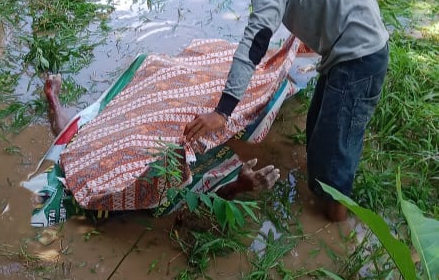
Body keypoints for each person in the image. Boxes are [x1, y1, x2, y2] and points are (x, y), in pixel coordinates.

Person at [184, 0, 389, 222]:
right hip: (353, 49)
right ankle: (328, 196)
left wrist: (223, 112)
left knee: (333, 155)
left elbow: (254, 41)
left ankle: (337, 224)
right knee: (318, 133)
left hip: (358, 60)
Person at [43, 73, 281, 203]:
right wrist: (239, 187)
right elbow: (190, 207)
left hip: (139, 139)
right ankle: (53, 99)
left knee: (84, 137)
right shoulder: (163, 181)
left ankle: (53, 98)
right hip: (142, 150)